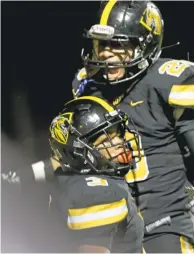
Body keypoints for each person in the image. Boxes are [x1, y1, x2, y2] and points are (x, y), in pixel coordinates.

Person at [70, 1, 194, 253]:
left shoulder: (167, 84)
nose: (106, 53)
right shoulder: (91, 89)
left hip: (166, 226)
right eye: (103, 43)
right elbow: (74, 156)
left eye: (118, 44)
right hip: (116, 232)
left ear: (144, 44)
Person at [47, 96, 145, 253]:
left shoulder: (72, 182)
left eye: (118, 134)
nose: (120, 143)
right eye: (107, 139)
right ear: (79, 152)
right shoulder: (96, 191)